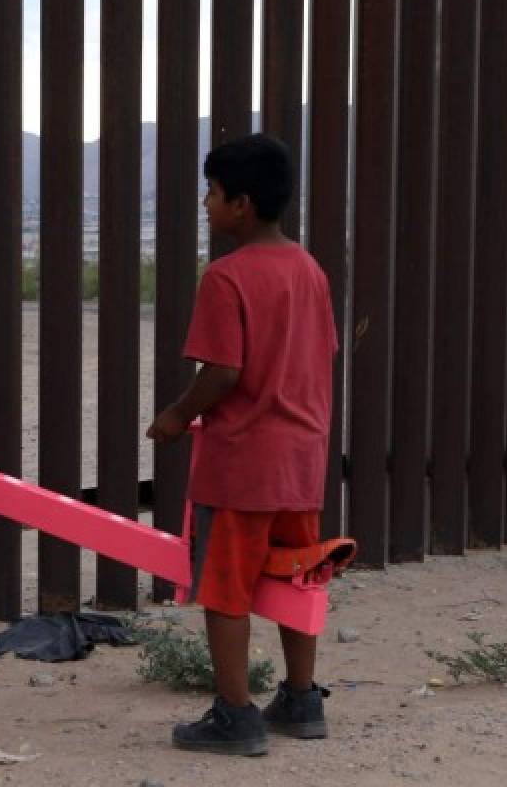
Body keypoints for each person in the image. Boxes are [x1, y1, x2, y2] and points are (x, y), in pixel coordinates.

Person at [146, 133, 338, 756]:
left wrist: (175, 417)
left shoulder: (226, 278)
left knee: (225, 588)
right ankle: (303, 699)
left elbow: (224, 372)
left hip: (242, 465)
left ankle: (235, 715)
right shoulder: (309, 271)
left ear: (243, 204)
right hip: (301, 460)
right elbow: (318, 356)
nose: (206, 204)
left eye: (213, 193)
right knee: (297, 576)